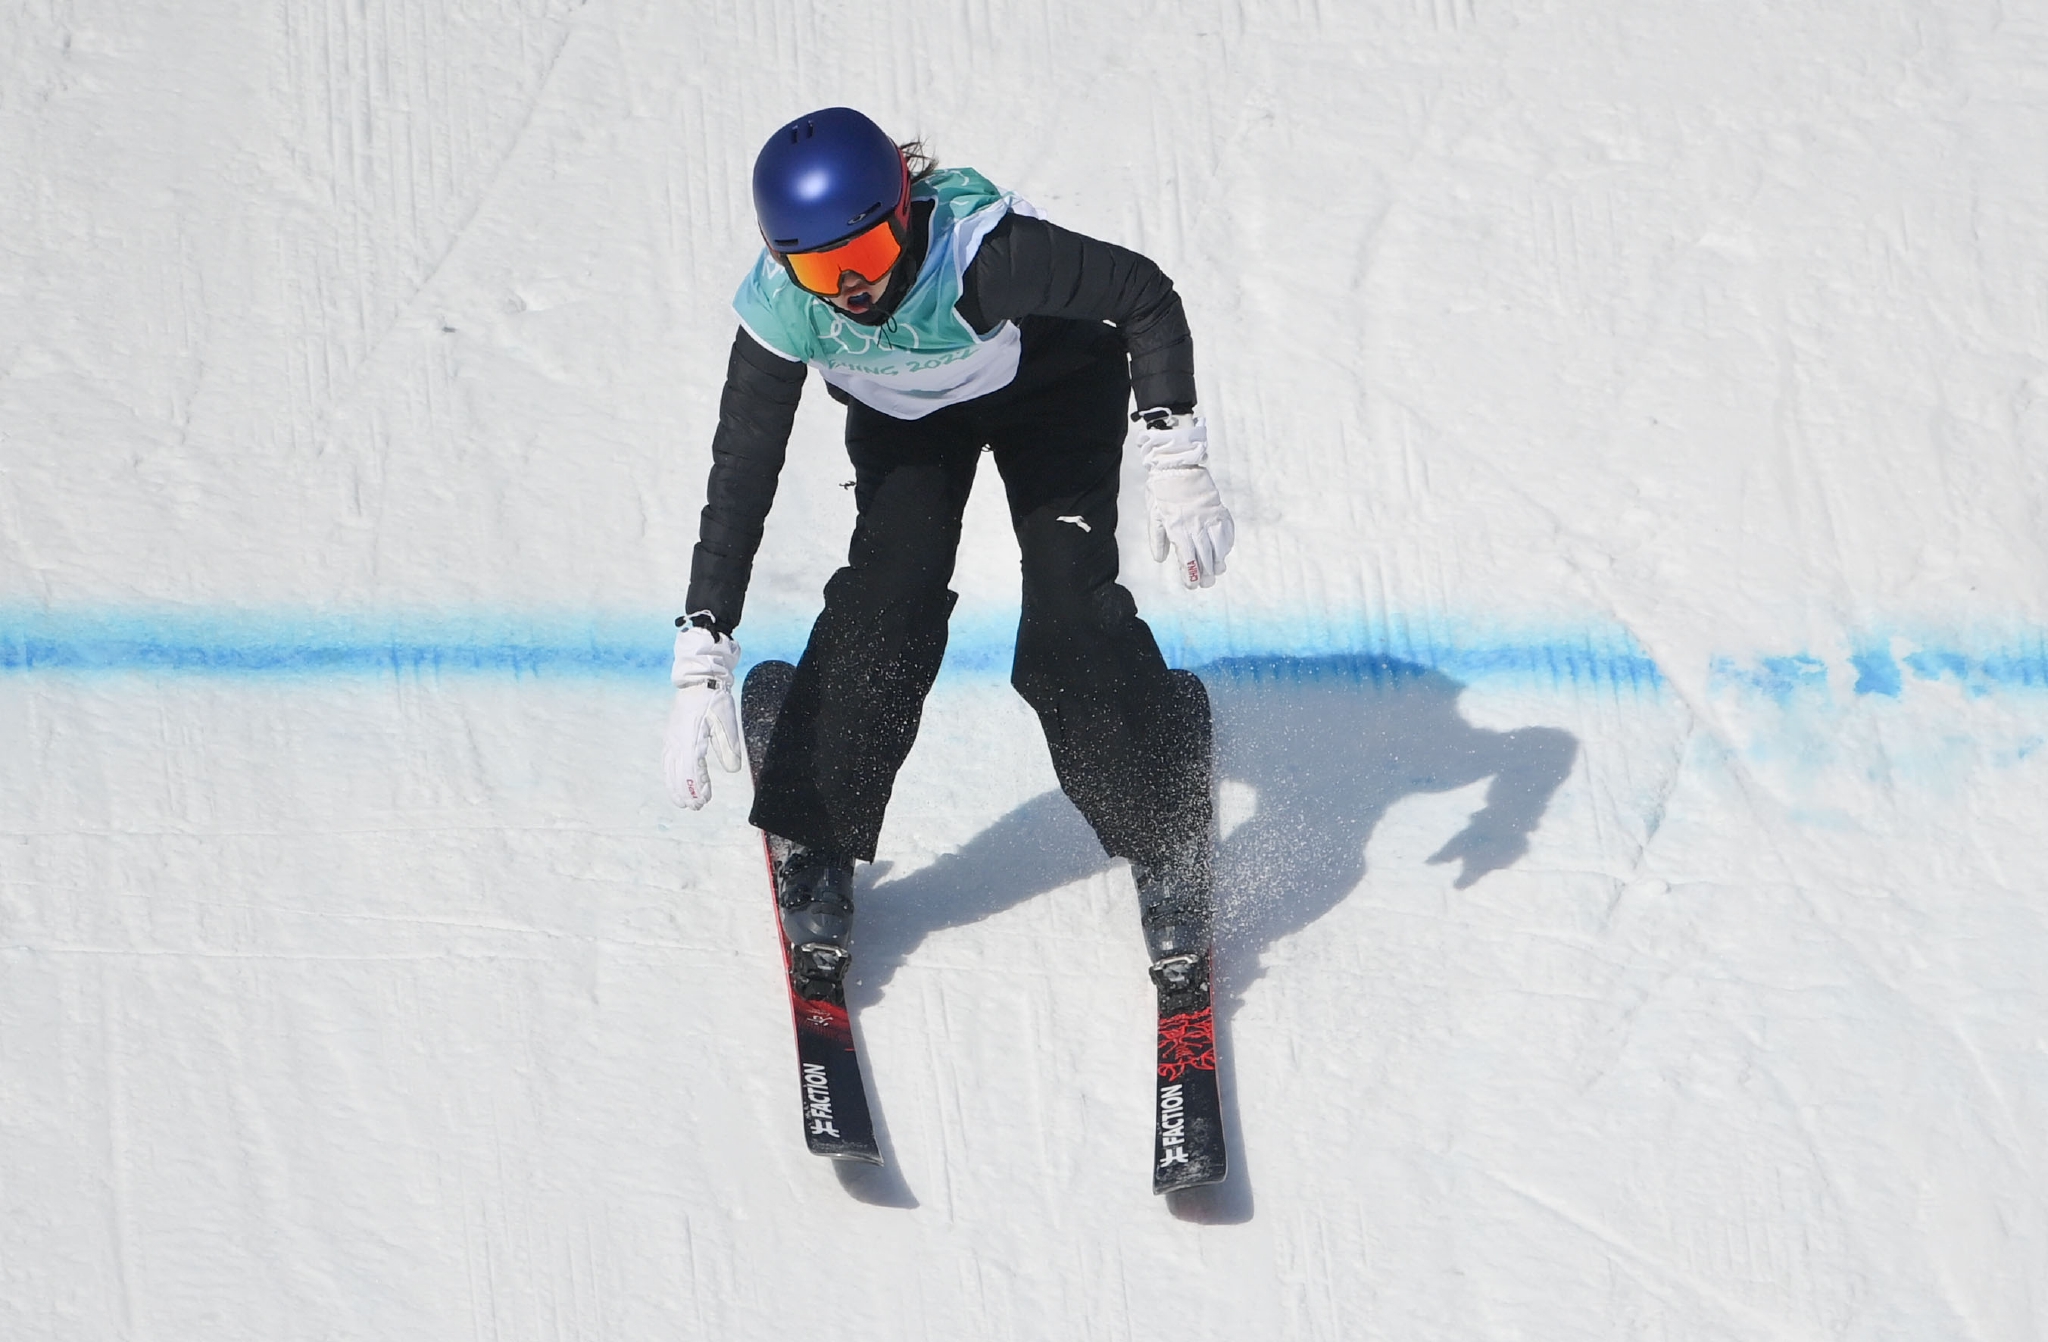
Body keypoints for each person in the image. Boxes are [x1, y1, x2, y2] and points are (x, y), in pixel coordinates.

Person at [662, 106, 1234, 989]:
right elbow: (743, 469)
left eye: (867, 256)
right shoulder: (784, 311)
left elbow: (1145, 295)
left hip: (1049, 385)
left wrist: (1173, 445)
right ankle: (813, 828)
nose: (851, 289)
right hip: (908, 421)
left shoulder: (986, 256)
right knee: (888, 599)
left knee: (1070, 608)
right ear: (783, 260)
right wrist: (704, 643)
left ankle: (1163, 823)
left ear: (903, 215)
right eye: (820, 267)